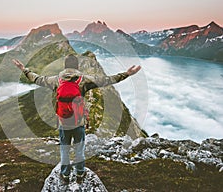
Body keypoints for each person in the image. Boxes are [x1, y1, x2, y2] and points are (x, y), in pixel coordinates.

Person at [12, 54, 141, 184]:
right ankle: (80, 173)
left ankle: (65, 175)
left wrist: (24, 69)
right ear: (77, 66)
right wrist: (127, 74)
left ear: (65, 66)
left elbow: (37, 79)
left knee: (65, 150)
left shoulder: (56, 80)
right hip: (78, 122)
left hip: (63, 122)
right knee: (79, 150)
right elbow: (107, 80)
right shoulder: (83, 80)